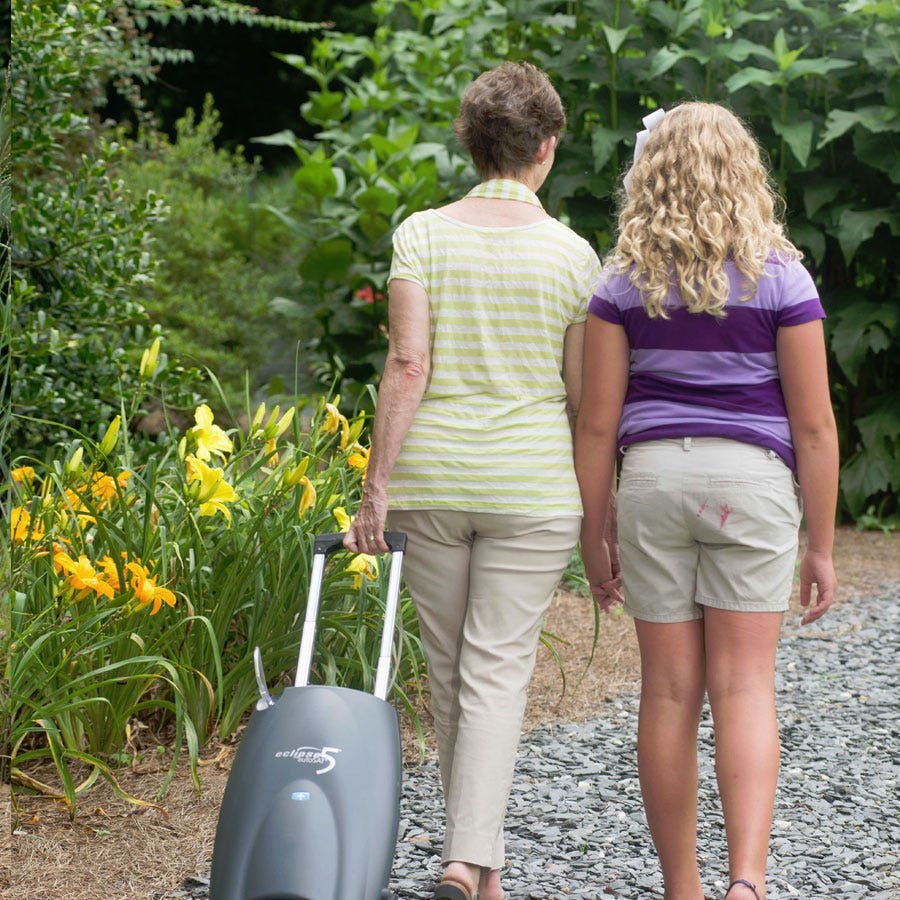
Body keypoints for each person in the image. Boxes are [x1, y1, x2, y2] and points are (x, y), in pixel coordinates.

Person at [344, 62, 613, 900]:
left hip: (431, 481)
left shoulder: (422, 235)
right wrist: (596, 519)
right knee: (496, 671)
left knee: (451, 667)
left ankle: (474, 865)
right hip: (531, 488)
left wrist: (375, 487)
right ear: (547, 146)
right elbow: (582, 400)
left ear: (470, 143)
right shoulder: (575, 256)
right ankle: (470, 859)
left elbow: (408, 363)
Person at [576, 102, 839, 900]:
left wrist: (595, 531)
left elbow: (597, 422)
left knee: (667, 692)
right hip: (751, 484)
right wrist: (822, 547)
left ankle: (682, 889)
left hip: (654, 480)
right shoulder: (782, 278)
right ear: (744, 173)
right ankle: (746, 884)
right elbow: (815, 425)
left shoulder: (620, 284)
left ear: (649, 176)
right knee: (745, 687)